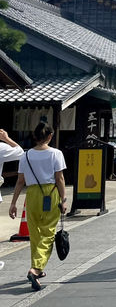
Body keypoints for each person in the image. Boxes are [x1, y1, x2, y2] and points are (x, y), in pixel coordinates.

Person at [8, 123, 66, 291]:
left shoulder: (26, 156)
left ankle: (37, 268)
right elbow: (59, 178)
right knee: (48, 233)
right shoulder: (56, 153)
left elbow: (20, 181)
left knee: (35, 234)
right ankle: (36, 269)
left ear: (35, 136)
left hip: (32, 194)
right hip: (50, 192)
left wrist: (13, 203)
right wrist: (64, 199)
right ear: (49, 136)